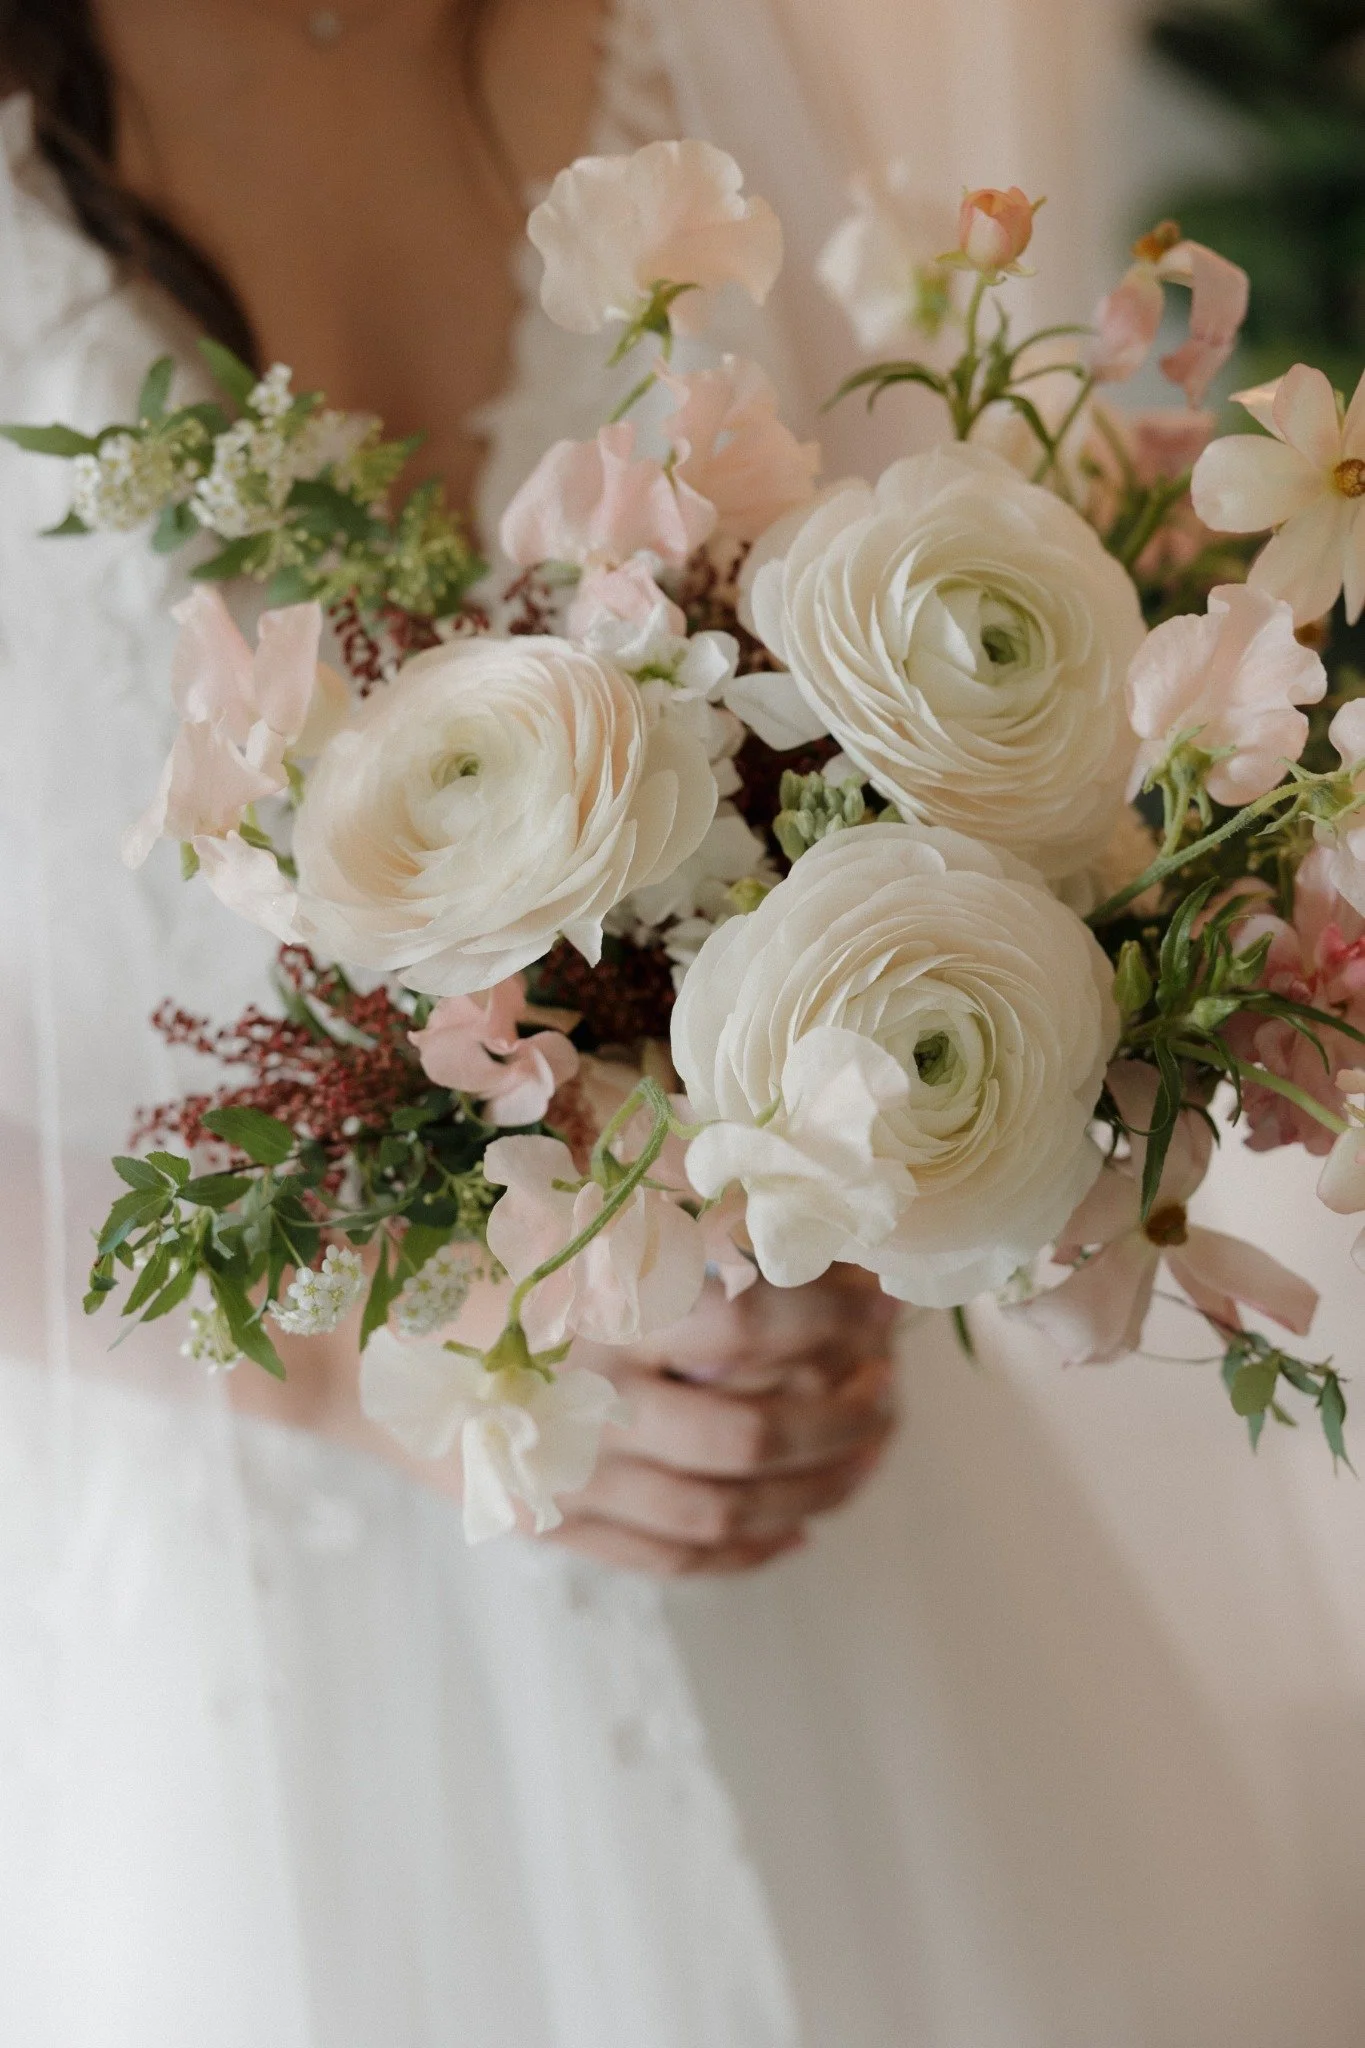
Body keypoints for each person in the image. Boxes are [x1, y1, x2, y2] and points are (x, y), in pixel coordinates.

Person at [2, 2, 1365, 2044]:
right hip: (254, 1628)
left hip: (805, 1473)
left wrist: (893, 1156)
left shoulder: (668, 40)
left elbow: (912, 701)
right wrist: (344, 1347)